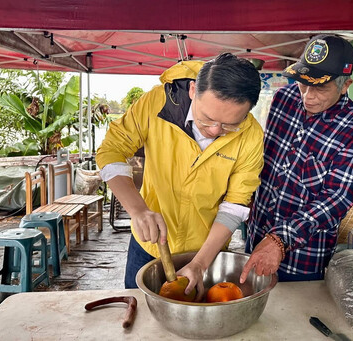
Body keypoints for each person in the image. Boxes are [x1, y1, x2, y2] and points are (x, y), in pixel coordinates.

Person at [96, 53, 264, 298]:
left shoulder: (251, 135)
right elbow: (112, 149)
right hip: (149, 245)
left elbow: (235, 204)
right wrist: (137, 210)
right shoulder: (157, 103)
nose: (216, 131)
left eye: (229, 125)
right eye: (207, 119)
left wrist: (199, 263)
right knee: (141, 319)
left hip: (207, 249)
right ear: (194, 90)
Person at [240, 35, 353, 283]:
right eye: (303, 83)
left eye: (320, 87)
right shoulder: (284, 99)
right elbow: (266, 160)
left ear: (345, 85)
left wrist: (281, 239)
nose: (307, 96)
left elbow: (337, 198)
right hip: (256, 233)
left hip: (303, 256)